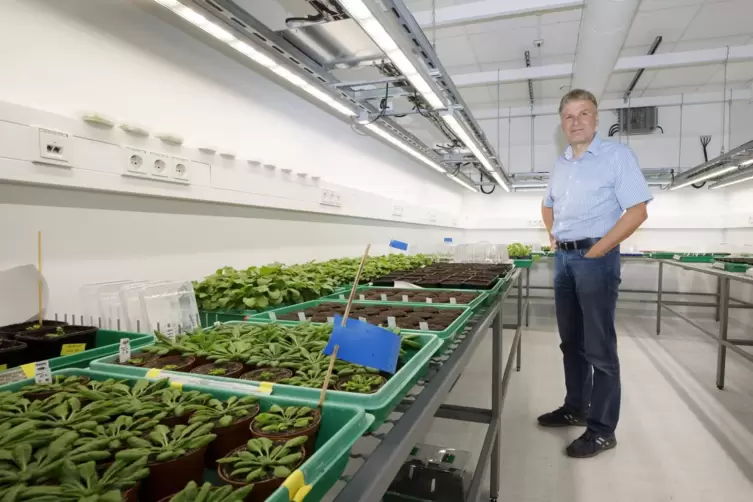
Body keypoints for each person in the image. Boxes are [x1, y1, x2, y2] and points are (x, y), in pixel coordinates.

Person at [538, 89, 652, 458]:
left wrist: (598, 250)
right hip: (564, 261)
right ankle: (576, 407)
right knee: (570, 342)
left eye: (583, 114)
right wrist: (553, 235)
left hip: (595, 260)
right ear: (562, 122)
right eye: (569, 116)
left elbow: (637, 212)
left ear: (596, 119)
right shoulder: (562, 164)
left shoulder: (617, 157)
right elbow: (547, 203)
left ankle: (602, 429)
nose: (576, 122)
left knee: (600, 349)